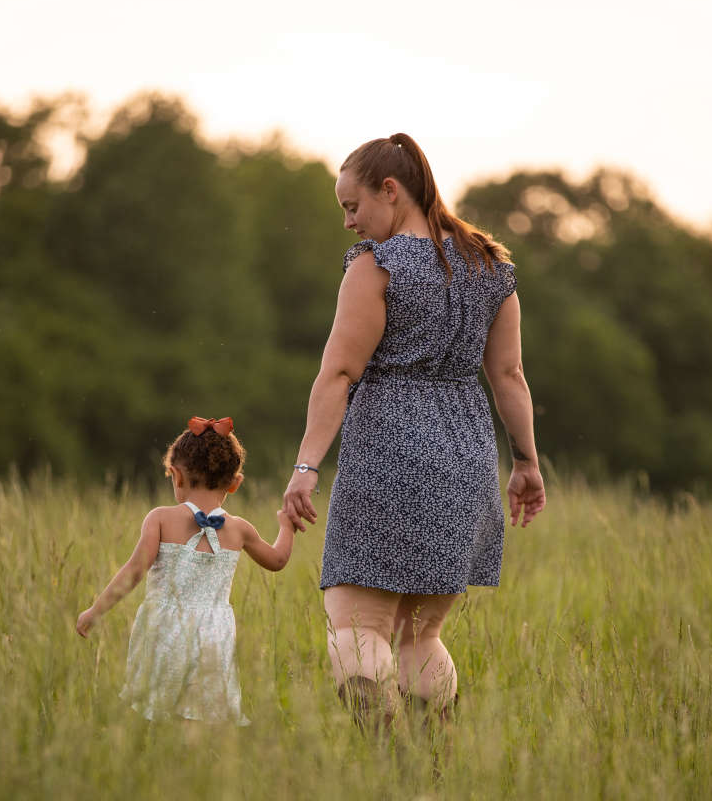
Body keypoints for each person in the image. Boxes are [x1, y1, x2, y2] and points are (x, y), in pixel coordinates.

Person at [282, 133, 545, 724]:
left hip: (390, 448)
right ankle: (432, 777)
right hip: (466, 455)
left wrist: (305, 467)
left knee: (356, 627)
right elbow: (509, 376)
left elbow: (340, 372)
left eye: (353, 206)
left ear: (391, 191)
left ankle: (384, 772)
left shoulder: (377, 265)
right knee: (419, 638)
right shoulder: (490, 266)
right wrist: (526, 463)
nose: (349, 223)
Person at [77, 415, 296, 723]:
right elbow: (277, 561)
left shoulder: (161, 518)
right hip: (215, 637)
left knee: (159, 713)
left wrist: (94, 612)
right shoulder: (239, 529)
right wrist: (287, 526)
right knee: (206, 716)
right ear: (235, 484)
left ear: (176, 476)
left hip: (164, 631)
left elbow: (134, 571)